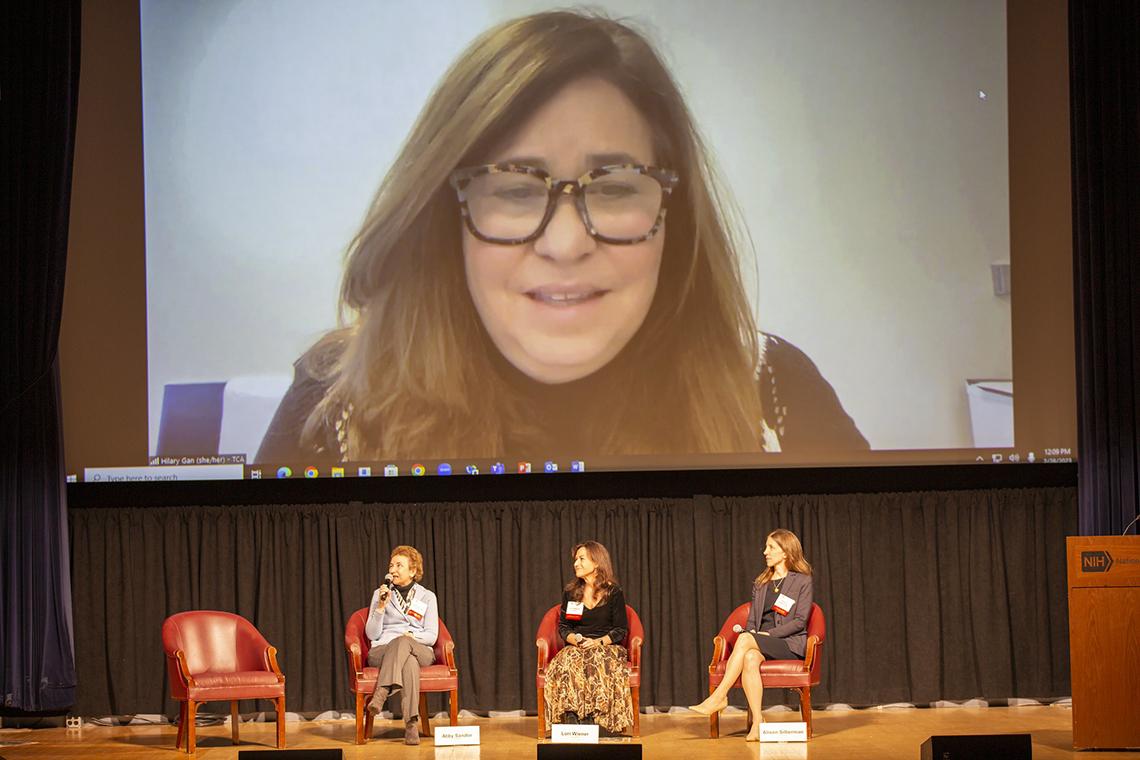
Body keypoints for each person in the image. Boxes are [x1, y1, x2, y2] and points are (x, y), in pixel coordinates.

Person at [255, 10, 867, 466]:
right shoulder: (333, 411)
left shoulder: (772, 389)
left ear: (672, 217)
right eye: (516, 190)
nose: (567, 243)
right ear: (445, 221)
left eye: (617, 187)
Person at [690, 529, 813, 741]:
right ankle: (758, 722)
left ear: (785, 552)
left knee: (746, 638)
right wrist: (753, 633)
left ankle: (719, 696)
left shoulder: (802, 581)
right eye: (766, 547)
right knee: (749, 656)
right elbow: (753, 620)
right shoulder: (761, 583)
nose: (765, 552)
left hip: (788, 643)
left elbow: (800, 621)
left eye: (771, 547)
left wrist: (766, 634)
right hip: (761, 641)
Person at [544, 541, 634, 734]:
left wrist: (598, 642)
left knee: (597, 659)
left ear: (596, 562)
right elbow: (564, 626)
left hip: (606, 646)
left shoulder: (613, 593)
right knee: (568, 659)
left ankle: (599, 722)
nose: (576, 563)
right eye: (575, 559)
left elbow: (620, 630)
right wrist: (576, 639)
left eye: (581, 558)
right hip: (579, 645)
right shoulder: (571, 593)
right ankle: (573, 720)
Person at [364, 545, 439, 745]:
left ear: (413, 571)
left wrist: (410, 636)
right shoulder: (379, 594)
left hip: (419, 647)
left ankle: (381, 692)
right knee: (409, 664)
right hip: (383, 650)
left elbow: (431, 636)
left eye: (399, 565)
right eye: (391, 565)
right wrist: (380, 607)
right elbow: (372, 634)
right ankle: (411, 725)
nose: (393, 570)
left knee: (405, 641)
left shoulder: (427, 597)